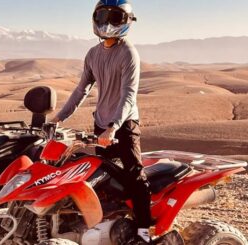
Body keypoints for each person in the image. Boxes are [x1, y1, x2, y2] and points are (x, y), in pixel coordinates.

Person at [50, 1, 152, 243]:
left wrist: (114, 126)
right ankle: (110, 228)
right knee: (102, 179)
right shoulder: (93, 54)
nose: (108, 23)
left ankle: (144, 232)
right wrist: (58, 118)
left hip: (124, 124)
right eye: (103, 16)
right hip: (101, 124)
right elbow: (80, 90)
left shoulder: (128, 53)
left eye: (115, 17)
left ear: (126, 21)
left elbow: (129, 94)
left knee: (135, 175)